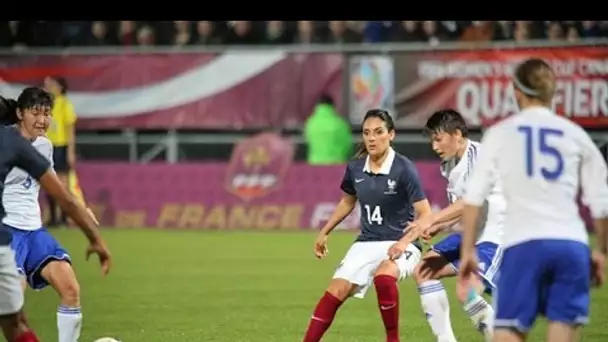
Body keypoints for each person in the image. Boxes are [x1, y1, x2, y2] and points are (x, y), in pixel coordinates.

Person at [459, 58, 608, 342]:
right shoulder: (576, 134)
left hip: (524, 243)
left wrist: (468, 251)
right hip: (572, 246)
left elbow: (474, 197)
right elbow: (601, 201)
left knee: (509, 334)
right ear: (552, 92)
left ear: (517, 90)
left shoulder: (500, 133)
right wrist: (601, 250)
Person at [302, 109, 433, 342]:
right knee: (335, 291)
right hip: (367, 242)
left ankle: (392, 339)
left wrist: (404, 243)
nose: (371, 138)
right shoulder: (355, 168)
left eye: (378, 132)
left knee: (384, 277)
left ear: (391, 135)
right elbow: (347, 202)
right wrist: (324, 232)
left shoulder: (404, 168)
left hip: (401, 242)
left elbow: (425, 213)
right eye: (366, 133)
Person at [0, 89, 111, 342]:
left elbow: (61, 191)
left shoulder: (44, 146)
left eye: (47, 114)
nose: (42, 120)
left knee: (70, 288)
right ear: (19, 113)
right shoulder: (5, 140)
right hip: (6, 234)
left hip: (34, 232)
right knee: (12, 311)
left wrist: (81, 208)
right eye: (35, 113)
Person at [390, 109, 504, 342]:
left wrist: (431, 219)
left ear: (458, 134)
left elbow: (472, 201)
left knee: (468, 290)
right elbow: (462, 211)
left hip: (498, 233)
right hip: (473, 233)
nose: (434, 146)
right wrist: (438, 227)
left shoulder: (478, 156)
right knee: (424, 270)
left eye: (438, 138)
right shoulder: (450, 165)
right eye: (432, 139)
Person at [44, 76, 77, 227]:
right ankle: (53, 217)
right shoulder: (45, 103)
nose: (49, 86)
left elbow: (70, 128)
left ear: (60, 87)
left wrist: (71, 151)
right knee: (47, 182)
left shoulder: (64, 104)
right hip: (46, 146)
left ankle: (64, 217)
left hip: (60, 146)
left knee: (62, 183)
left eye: (52, 84)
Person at [304, 94, 353, 165]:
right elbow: (348, 145)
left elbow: (308, 141)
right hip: (336, 164)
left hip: (314, 165)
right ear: (332, 106)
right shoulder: (340, 123)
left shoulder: (310, 123)